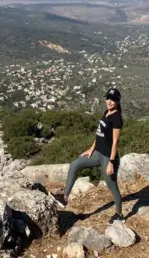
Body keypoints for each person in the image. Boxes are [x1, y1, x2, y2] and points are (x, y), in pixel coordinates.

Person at [55, 87, 124, 223]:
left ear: (117, 101)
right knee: (75, 164)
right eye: (108, 98)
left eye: (113, 100)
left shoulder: (116, 118)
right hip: (97, 153)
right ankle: (64, 198)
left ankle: (119, 214)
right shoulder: (107, 112)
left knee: (112, 186)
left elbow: (115, 142)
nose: (109, 102)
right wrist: (91, 149)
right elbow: (99, 134)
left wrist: (111, 162)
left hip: (107, 157)